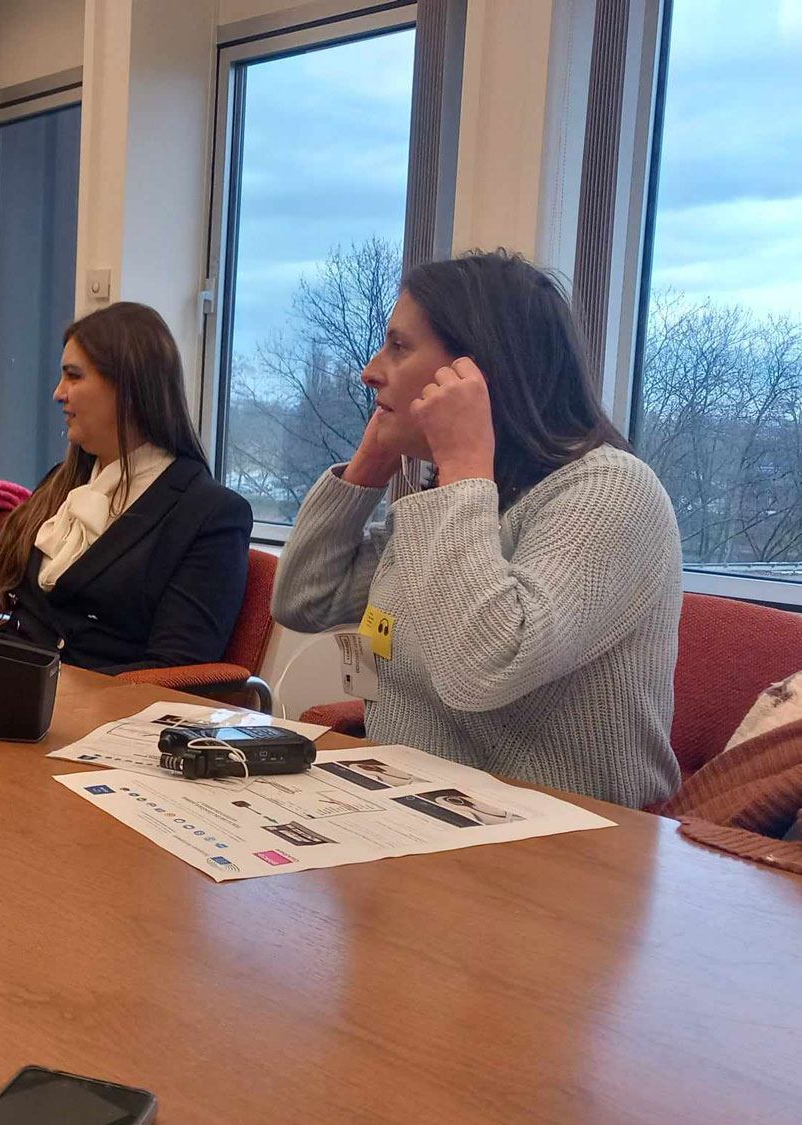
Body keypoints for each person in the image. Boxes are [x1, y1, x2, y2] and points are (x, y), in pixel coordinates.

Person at [272, 250, 683, 809]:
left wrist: (462, 467)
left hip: (566, 844)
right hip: (413, 811)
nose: (370, 371)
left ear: (475, 373)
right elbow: (304, 600)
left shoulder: (611, 490)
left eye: (398, 346)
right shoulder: (459, 502)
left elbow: (484, 668)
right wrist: (366, 473)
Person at [0, 301, 252, 674]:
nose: (58, 393)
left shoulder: (210, 514)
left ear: (127, 387)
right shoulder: (63, 484)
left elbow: (173, 671)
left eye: (74, 376)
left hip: (97, 719)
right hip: (4, 695)